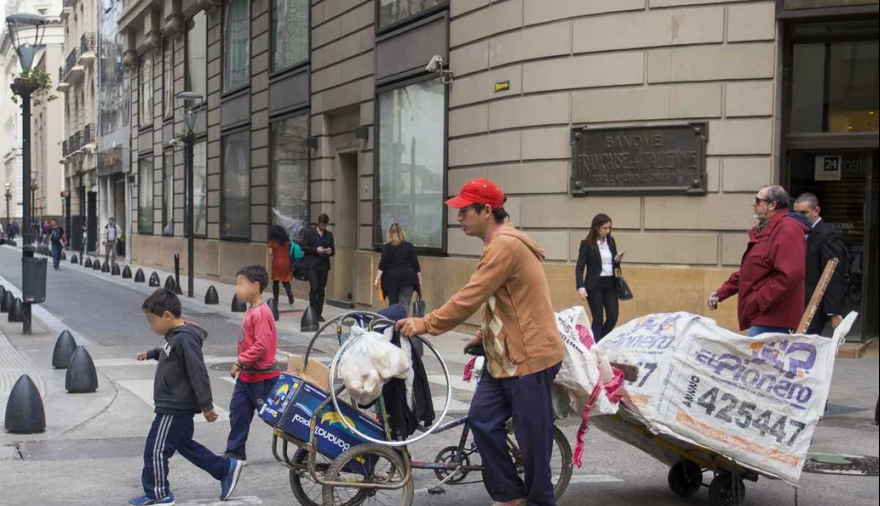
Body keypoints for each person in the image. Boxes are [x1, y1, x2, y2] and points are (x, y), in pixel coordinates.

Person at [397, 178, 565, 506]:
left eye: (465, 210)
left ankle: (539, 501)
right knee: (482, 419)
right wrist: (483, 335)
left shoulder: (505, 245)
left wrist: (426, 323)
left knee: (533, 440)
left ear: (486, 211)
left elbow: (471, 296)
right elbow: (500, 299)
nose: (459, 217)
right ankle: (510, 496)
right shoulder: (497, 244)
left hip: (529, 357)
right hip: (504, 357)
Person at [132, 288, 243, 506]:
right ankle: (224, 469)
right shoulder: (175, 336)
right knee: (184, 444)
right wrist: (153, 353)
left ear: (167, 316)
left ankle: (158, 494)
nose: (151, 327)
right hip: (175, 403)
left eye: (152, 321)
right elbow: (170, 353)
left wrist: (207, 405)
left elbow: (197, 372)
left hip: (174, 405)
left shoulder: (185, 339)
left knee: (156, 449)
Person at [709, 185, 809, 336]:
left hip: (775, 319)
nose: (753, 204)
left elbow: (790, 275)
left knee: (750, 351)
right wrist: (721, 293)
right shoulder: (766, 229)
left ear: (772, 204)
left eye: (758, 200)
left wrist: (758, 301)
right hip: (764, 316)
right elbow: (750, 270)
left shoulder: (788, 229)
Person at [225, 266, 281, 464]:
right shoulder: (252, 310)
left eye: (240, 284)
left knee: (276, 417)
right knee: (238, 413)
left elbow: (262, 345)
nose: (236, 288)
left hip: (263, 378)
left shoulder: (261, 313)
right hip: (247, 376)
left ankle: (307, 444)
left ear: (255, 286)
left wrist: (240, 361)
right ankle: (235, 452)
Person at [793, 193, 847, 335]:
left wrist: (834, 311)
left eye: (804, 213)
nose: (799, 217)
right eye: (796, 213)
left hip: (814, 304)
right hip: (796, 302)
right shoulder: (796, 233)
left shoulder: (828, 235)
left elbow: (833, 273)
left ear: (816, 211)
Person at [575, 213, 624, 341]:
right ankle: (595, 347)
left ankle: (598, 342)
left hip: (610, 284)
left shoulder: (611, 242)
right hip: (594, 285)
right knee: (598, 319)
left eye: (609, 228)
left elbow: (613, 263)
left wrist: (617, 260)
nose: (608, 231)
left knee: (613, 317)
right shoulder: (587, 244)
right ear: (596, 228)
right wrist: (580, 287)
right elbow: (580, 267)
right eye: (605, 228)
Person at [374, 223, 422, 310]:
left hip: (392, 279)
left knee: (393, 304)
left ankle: (395, 319)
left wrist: (377, 278)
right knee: (405, 303)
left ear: (389, 234)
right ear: (402, 233)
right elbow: (415, 264)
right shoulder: (409, 246)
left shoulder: (387, 247)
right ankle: (403, 319)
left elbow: (383, 264)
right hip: (408, 277)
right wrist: (419, 278)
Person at [301, 214, 335, 322]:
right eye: (322, 224)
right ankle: (312, 312)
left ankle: (319, 313)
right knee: (314, 287)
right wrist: (316, 250)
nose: (323, 227)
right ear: (318, 223)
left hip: (323, 266)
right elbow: (303, 246)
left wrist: (329, 251)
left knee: (321, 290)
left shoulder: (329, 235)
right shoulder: (310, 232)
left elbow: (333, 251)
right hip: (312, 265)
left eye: (325, 225)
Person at [267, 225, 295, 306]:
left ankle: (276, 300)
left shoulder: (273, 241)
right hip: (286, 262)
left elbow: (270, 252)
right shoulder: (286, 241)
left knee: (276, 281)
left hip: (277, 262)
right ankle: (290, 294)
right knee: (285, 280)